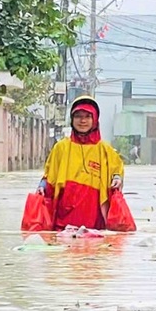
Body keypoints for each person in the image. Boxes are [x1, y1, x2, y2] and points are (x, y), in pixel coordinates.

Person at [36, 96, 125, 230]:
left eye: (87, 116)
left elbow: (116, 171)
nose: (82, 121)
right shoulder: (61, 147)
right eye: (78, 116)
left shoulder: (105, 150)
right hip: (64, 217)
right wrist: (41, 185)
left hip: (95, 218)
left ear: (94, 120)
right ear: (72, 120)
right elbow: (50, 175)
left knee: (95, 248)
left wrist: (117, 178)